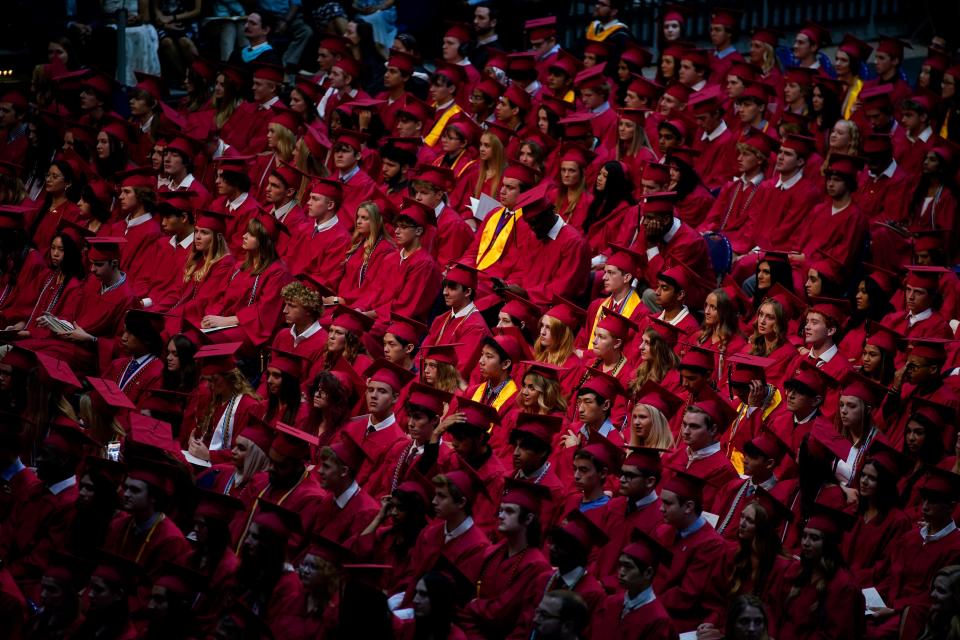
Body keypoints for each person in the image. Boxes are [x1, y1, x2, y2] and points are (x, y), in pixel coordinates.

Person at [459, 478, 553, 638]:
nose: (501, 516)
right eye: (501, 510)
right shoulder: (492, 553)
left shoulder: (535, 565)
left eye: (509, 511)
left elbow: (501, 612)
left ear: (529, 519)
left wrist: (475, 606)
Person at [776, 502, 865, 639]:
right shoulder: (796, 571)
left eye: (814, 538)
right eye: (804, 536)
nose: (805, 543)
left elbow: (834, 634)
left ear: (828, 544)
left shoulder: (843, 586)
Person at [657, 472, 728, 631]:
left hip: (683, 619)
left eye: (667, 503)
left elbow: (687, 594)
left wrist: (647, 601)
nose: (661, 509)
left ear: (688, 507)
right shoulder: (665, 531)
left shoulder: (711, 545)